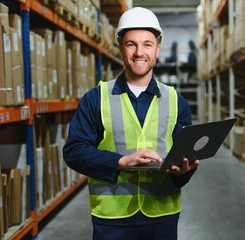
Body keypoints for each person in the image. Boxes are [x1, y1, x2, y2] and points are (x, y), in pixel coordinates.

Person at [63, 7, 200, 240]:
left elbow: (181, 161)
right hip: (112, 219)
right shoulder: (97, 98)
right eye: (131, 44)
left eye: (147, 44)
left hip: (162, 214)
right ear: (120, 48)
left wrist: (185, 171)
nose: (139, 52)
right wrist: (120, 161)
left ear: (157, 49)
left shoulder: (177, 101)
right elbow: (74, 151)